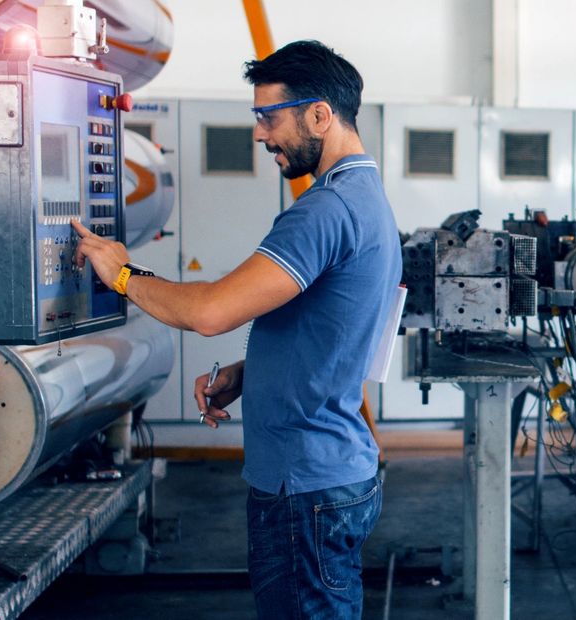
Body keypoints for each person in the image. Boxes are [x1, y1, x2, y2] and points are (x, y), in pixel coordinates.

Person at [71, 40, 401, 619]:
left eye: (268, 116)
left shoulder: (325, 210)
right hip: (331, 472)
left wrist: (121, 272)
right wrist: (253, 374)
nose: (260, 134)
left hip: (305, 487)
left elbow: (209, 312)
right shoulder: (366, 198)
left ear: (319, 115)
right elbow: (343, 335)